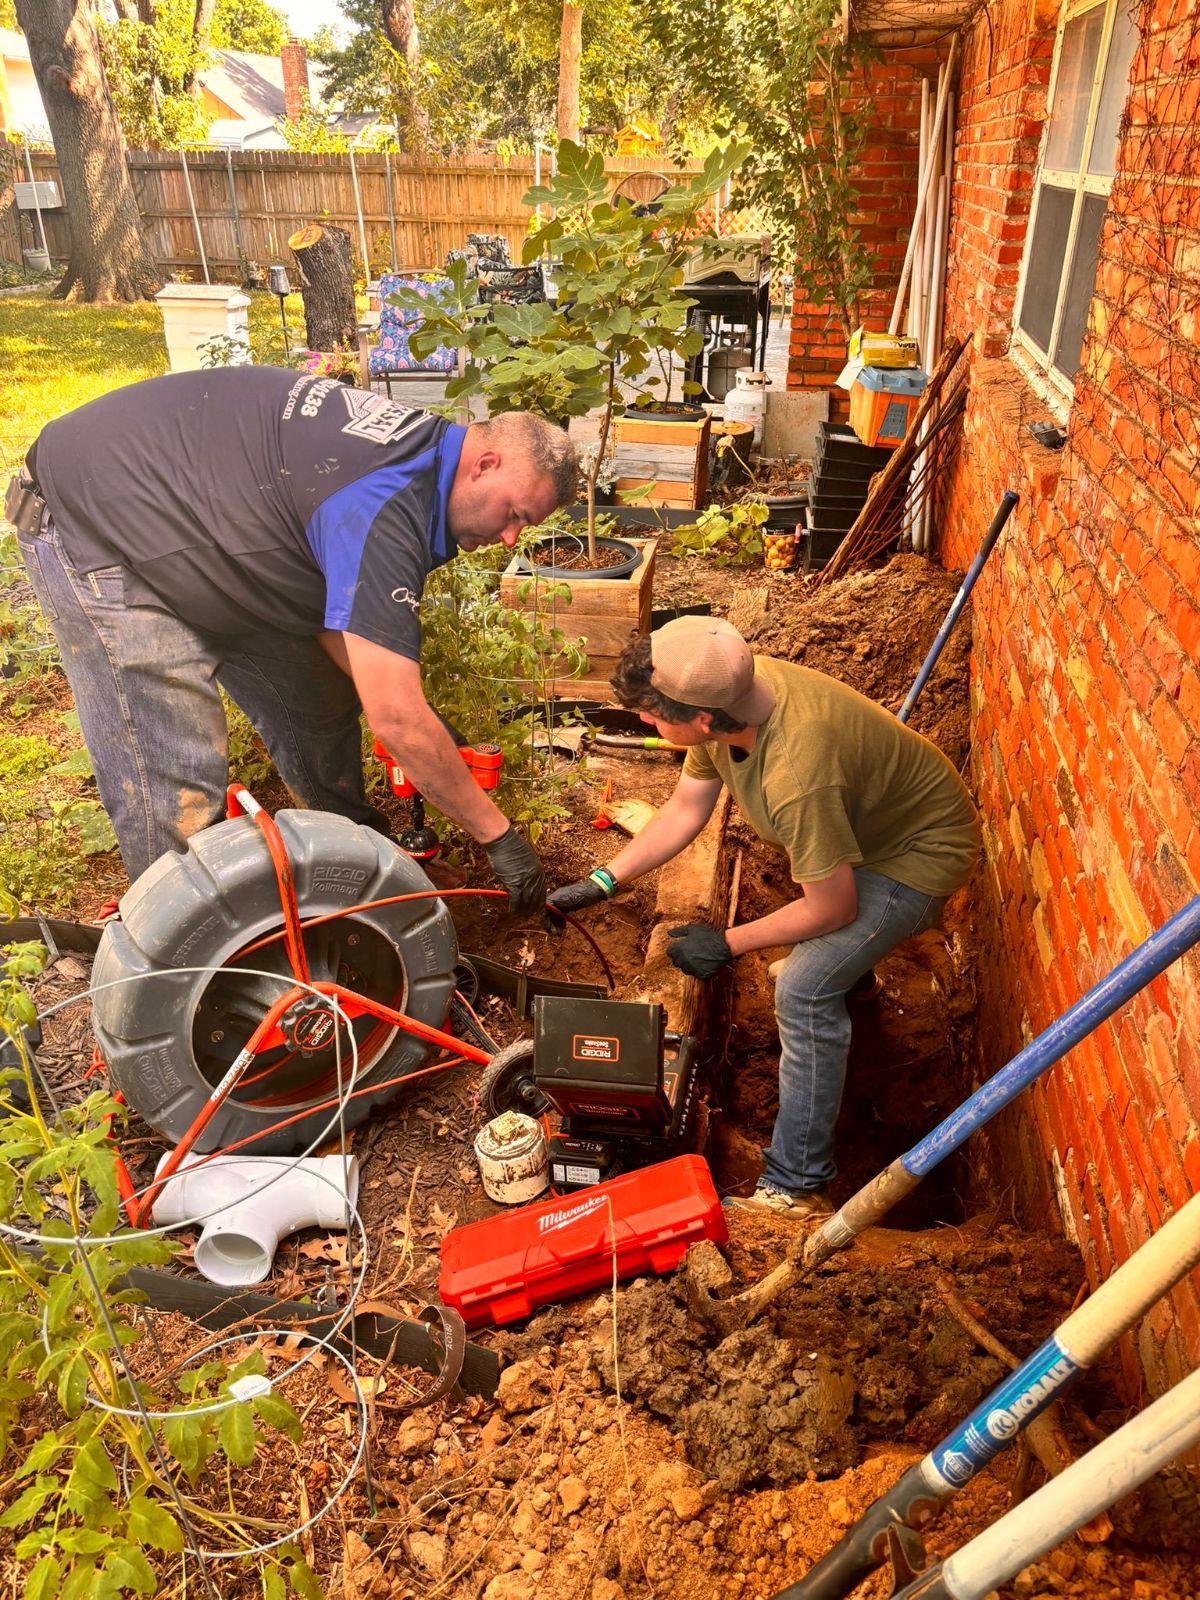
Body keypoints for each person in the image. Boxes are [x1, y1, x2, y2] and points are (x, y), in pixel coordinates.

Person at [7, 366, 576, 916]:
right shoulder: (383, 497)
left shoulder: (424, 465)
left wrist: (429, 729)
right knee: (177, 781)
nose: (509, 538)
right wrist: (497, 837)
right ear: (484, 463)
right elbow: (396, 721)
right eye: (515, 514)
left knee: (318, 701)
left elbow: (341, 622)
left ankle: (358, 867)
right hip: (101, 520)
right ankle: (195, 960)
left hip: (212, 541)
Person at [546, 616, 980, 1217]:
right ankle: (855, 979)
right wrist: (603, 879)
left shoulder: (797, 776)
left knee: (803, 990)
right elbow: (686, 808)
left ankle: (796, 1185)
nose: (646, 721)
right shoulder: (724, 690)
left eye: (653, 712)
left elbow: (833, 905)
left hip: (916, 859)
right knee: (820, 945)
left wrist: (727, 941)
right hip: (870, 832)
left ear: (701, 719)